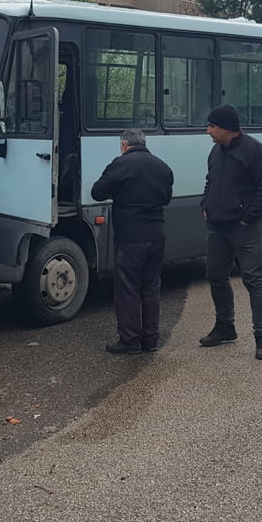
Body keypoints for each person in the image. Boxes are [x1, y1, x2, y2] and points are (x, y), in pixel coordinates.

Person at [199, 105, 262, 360]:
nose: (208, 130)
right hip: (217, 226)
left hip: (245, 228)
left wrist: (248, 219)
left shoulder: (256, 152)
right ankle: (225, 327)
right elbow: (211, 179)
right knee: (215, 276)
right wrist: (205, 204)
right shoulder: (215, 150)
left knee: (253, 279)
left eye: (211, 126)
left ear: (225, 128)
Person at [91, 128, 175, 354]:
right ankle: (151, 340)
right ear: (144, 143)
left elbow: (97, 192)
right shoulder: (162, 167)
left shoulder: (120, 164)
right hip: (157, 237)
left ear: (124, 145)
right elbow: (166, 198)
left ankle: (130, 341)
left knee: (128, 289)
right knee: (151, 288)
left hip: (130, 238)